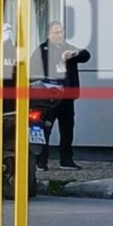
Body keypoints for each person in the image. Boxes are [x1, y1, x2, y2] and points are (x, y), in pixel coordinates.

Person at [30, 20, 90, 171]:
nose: (59, 35)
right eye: (56, 32)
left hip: (67, 97)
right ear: (49, 34)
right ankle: (41, 161)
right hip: (48, 98)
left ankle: (66, 160)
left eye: (61, 32)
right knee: (45, 129)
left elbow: (85, 55)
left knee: (67, 130)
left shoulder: (67, 48)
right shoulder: (42, 50)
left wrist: (74, 54)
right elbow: (33, 70)